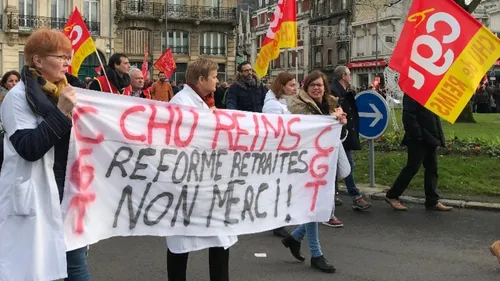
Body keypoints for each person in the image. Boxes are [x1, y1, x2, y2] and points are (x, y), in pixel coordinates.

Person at [0, 29, 90, 281]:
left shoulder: (69, 91)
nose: (67, 62)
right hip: (35, 195)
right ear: (38, 61)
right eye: (61, 56)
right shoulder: (16, 99)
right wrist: (61, 113)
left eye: (68, 56)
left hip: (68, 193)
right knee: (38, 272)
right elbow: (29, 148)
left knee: (76, 265)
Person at [167, 58, 236, 281]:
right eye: (214, 77)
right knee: (181, 241)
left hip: (208, 181)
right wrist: (209, 124)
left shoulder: (203, 102)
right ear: (201, 79)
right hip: (189, 182)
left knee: (219, 237)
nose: (217, 81)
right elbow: (180, 141)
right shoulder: (182, 103)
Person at [282, 70, 346, 274]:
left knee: (318, 205)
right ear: (306, 88)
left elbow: (338, 136)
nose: (317, 88)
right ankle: (316, 254)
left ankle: (294, 237)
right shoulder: (298, 107)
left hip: (324, 162)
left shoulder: (330, 105)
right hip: (305, 163)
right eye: (313, 85)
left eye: (320, 85)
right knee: (314, 206)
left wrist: (341, 123)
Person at [385, 94, 453, 211]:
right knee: (413, 167)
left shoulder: (429, 92)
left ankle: (432, 200)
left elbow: (433, 116)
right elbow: (408, 116)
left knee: (432, 168)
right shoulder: (412, 93)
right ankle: (392, 195)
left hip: (430, 136)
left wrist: (438, 136)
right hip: (418, 138)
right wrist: (418, 135)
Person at [262, 71, 297, 238]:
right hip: (278, 154)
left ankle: (280, 219)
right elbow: (273, 131)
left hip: (287, 152)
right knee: (278, 188)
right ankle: (277, 222)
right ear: (282, 87)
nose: (295, 88)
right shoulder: (273, 106)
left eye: (295, 84)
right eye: (291, 85)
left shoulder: (285, 102)